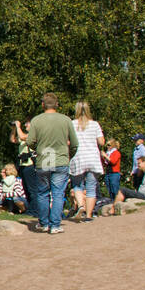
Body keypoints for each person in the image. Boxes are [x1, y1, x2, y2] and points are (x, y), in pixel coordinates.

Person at [27, 93, 77, 234]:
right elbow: (74, 143)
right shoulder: (66, 120)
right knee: (58, 193)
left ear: (43, 104)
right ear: (57, 104)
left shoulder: (36, 121)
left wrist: (38, 148)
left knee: (42, 193)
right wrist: (69, 155)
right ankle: (55, 225)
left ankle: (44, 223)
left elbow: (30, 141)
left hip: (43, 161)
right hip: (61, 160)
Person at [68, 101, 106, 222]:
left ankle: (80, 206)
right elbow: (101, 142)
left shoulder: (72, 124)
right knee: (91, 187)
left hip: (78, 157)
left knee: (77, 185)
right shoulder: (94, 124)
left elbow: (68, 141)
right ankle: (89, 215)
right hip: (92, 158)